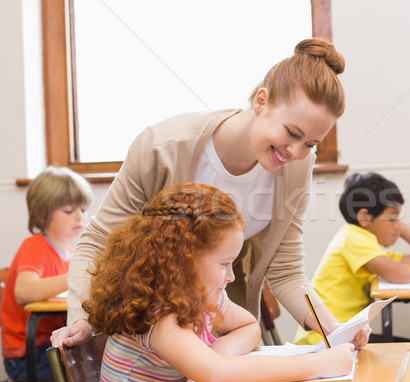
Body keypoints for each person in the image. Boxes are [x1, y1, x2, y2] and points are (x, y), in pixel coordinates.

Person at [51, 37, 370, 350]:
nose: (296, 151)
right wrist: (81, 319)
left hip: (218, 335)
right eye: (292, 133)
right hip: (149, 334)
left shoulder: (298, 168)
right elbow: (97, 240)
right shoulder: (163, 148)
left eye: (310, 144)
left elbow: (286, 270)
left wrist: (332, 326)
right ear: (261, 101)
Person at [83, 183, 354, 382]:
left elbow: (249, 326)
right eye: (224, 264)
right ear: (183, 260)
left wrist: (219, 353)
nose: (231, 276)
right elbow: (217, 376)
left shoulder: (203, 296)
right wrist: (321, 365)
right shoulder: (157, 314)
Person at [294, 172, 410, 382]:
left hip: (348, 336)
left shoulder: (367, 242)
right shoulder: (353, 238)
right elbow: (399, 273)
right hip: (327, 339)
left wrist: (400, 225)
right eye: (391, 219)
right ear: (364, 217)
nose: (397, 226)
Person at [1, 166, 92, 382]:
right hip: (26, 357)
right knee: (97, 370)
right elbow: (24, 292)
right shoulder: (35, 247)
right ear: (43, 215)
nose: (79, 217)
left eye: (83, 209)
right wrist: (76, 276)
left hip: (49, 347)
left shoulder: (69, 253)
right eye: (69, 211)